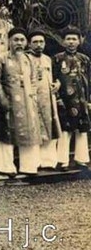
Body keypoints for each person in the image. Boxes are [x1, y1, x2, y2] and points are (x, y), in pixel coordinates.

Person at [0, 27, 41, 176]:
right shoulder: (1, 58)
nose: (19, 43)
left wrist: (33, 97)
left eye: (21, 40)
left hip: (27, 102)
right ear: (9, 41)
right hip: (8, 101)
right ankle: (6, 167)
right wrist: (2, 99)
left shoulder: (28, 59)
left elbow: (34, 80)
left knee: (28, 133)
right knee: (7, 133)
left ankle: (28, 167)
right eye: (15, 40)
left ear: (26, 42)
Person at [53, 26, 90, 171]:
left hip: (81, 100)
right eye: (68, 39)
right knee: (65, 130)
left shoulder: (85, 59)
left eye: (74, 39)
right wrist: (57, 98)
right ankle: (63, 160)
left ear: (79, 41)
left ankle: (81, 159)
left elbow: (89, 79)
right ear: (63, 41)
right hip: (64, 100)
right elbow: (53, 80)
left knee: (82, 130)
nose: (71, 42)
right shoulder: (57, 58)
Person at [26, 29, 60, 171]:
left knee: (49, 127)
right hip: (32, 98)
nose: (38, 45)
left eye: (41, 42)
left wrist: (57, 84)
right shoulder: (25, 59)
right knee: (34, 128)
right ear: (29, 44)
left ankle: (48, 161)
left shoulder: (47, 59)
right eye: (35, 42)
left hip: (47, 98)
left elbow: (54, 77)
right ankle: (34, 162)